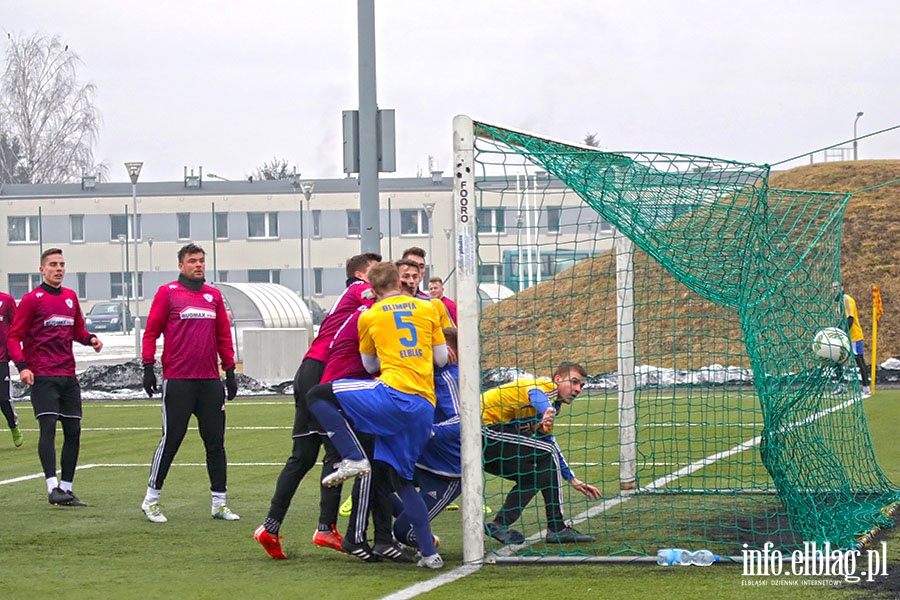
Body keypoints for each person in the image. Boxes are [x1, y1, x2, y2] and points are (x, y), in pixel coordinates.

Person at [307, 261, 448, 569]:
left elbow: (370, 366)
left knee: (317, 395)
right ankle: (429, 554)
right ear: (400, 282)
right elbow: (440, 357)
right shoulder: (429, 308)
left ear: (372, 288)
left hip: (393, 395)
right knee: (402, 480)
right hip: (424, 405)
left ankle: (353, 456)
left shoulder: (369, 316)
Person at [254, 252, 381, 559]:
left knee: (305, 455)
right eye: (377, 272)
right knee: (340, 453)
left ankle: (272, 527)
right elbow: (384, 309)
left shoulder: (350, 298)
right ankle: (325, 529)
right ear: (363, 274)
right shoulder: (359, 291)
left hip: (312, 368)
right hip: (325, 371)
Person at [140, 243, 239, 523]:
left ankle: (219, 503)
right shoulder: (168, 294)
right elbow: (151, 332)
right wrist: (148, 366)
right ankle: (151, 500)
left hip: (209, 381)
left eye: (201, 261)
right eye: (192, 261)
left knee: (215, 444)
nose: (198, 265)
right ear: (181, 265)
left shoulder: (214, 296)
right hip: (179, 380)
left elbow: (223, 336)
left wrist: (229, 370)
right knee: (171, 440)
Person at [7, 248, 103, 506]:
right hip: (43, 376)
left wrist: (90, 339)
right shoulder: (32, 299)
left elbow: (78, 330)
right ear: (42, 270)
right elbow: (13, 336)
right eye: (52, 264)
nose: (58, 268)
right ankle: (52, 487)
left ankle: (66, 488)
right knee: (48, 428)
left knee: (73, 431)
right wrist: (23, 366)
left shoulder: (71, 297)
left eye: (61, 264)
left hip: (68, 375)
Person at [481, 363, 601, 544]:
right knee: (544, 456)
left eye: (581, 386)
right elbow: (535, 395)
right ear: (558, 380)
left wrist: (573, 480)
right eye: (574, 382)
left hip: (491, 440)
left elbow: (548, 442)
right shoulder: (546, 388)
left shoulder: (554, 407)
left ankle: (499, 524)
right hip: (479, 429)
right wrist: (546, 410)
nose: (577, 389)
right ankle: (557, 527)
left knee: (535, 476)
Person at [393, 327, 461, 549]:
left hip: (446, 472)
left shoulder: (450, 379)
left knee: (405, 533)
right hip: (419, 462)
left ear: (446, 351)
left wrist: (427, 432)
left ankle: (428, 542)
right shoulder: (422, 374)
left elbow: (463, 422)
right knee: (374, 481)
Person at [834, 283, 872, 397]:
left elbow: (850, 319)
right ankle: (841, 385)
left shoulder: (847, 300)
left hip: (854, 336)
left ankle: (866, 388)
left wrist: (843, 333)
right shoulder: (838, 303)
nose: (834, 290)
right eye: (833, 288)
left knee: (859, 361)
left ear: (842, 288)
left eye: (836, 287)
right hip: (844, 337)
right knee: (836, 359)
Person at [398, 259, 453, 328]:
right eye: (406, 276)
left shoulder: (434, 304)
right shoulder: (384, 306)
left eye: (415, 277)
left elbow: (451, 334)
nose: (411, 281)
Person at [1, 288, 24, 448]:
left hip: (1, 359)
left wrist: (13, 350)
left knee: (3, 399)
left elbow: (17, 326)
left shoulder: (6, 301)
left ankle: (13, 426)